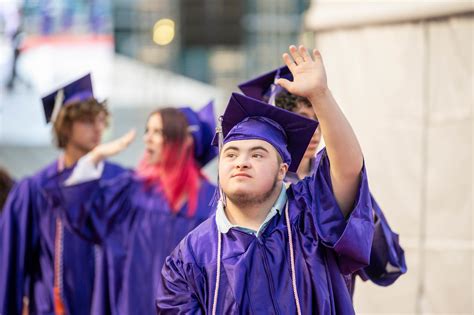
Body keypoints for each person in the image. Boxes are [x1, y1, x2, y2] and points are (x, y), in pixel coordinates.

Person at [157, 45, 376, 314]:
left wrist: (321, 96)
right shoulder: (190, 256)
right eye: (231, 154)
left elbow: (347, 169)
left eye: (258, 154)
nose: (241, 161)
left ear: (283, 169)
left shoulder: (311, 216)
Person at [239, 65, 407, 295]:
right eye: (301, 118)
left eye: (317, 118)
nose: (314, 129)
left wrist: (358, 216)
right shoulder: (262, 187)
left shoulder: (337, 180)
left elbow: (383, 262)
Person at [46, 102, 218, 314]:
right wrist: (96, 156)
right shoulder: (131, 192)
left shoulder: (213, 202)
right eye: (148, 131)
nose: (147, 138)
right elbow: (78, 210)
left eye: (158, 131)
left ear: (186, 141)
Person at [0, 74, 125, 315]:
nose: (98, 128)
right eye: (88, 121)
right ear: (65, 126)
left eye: (100, 120)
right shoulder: (36, 190)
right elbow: (9, 266)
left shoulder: (117, 182)